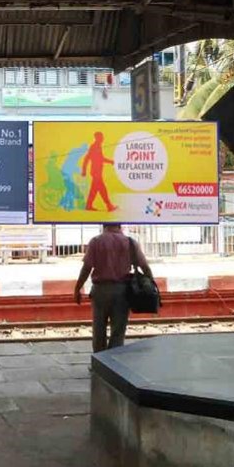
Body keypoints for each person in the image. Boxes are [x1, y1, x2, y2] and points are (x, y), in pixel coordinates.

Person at [73, 224, 154, 354]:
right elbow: (145, 267)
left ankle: (99, 362)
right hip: (122, 291)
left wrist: (77, 289)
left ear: (104, 226)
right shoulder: (130, 243)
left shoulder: (96, 241)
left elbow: (86, 268)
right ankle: (113, 364)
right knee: (118, 330)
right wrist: (152, 286)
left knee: (99, 329)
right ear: (120, 226)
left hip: (100, 291)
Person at [81, 131, 118, 212]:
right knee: (102, 189)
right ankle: (109, 206)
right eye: (101, 137)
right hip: (96, 172)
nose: (102, 139)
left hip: (97, 172)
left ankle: (88, 205)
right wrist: (84, 170)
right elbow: (87, 158)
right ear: (97, 138)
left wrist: (110, 161)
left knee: (94, 190)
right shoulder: (94, 147)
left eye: (102, 137)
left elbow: (101, 159)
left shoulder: (98, 146)